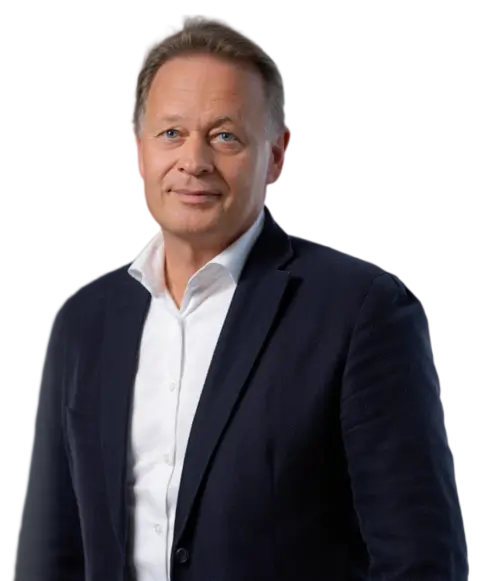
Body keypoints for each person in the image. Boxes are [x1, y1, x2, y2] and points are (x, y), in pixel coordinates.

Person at [15, 13, 468, 581]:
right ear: (139, 150)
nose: (194, 161)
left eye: (225, 136)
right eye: (172, 133)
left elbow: (421, 562)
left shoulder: (360, 310)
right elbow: (50, 551)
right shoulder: (85, 319)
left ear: (276, 156)